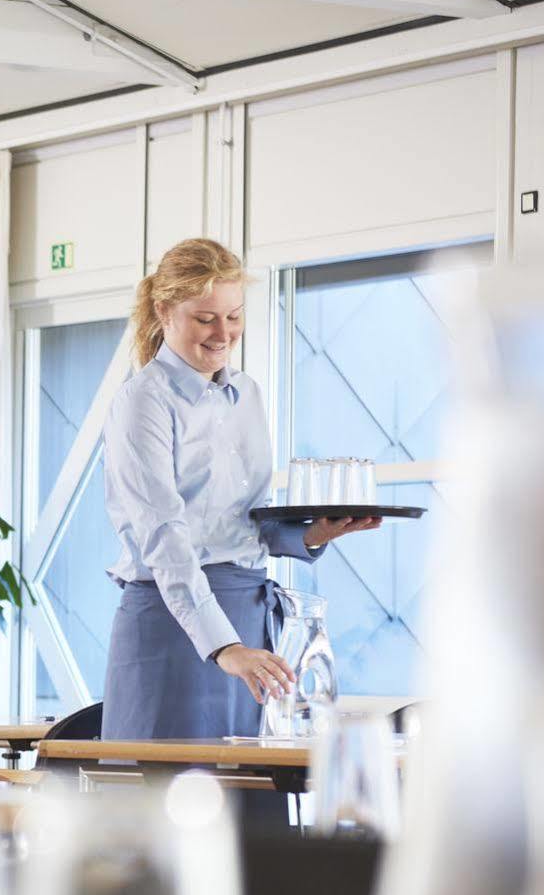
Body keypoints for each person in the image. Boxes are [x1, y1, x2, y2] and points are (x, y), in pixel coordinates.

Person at [100, 238, 379, 740]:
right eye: (205, 318)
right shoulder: (143, 400)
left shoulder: (246, 393)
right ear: (164, 311)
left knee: (250, 798)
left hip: (248, 622)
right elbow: (163, 537)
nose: (222, 333)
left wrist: (311, 536)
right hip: (174, 627)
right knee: (168, 801)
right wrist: (223, 648)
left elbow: (246, 521)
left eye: (233, 316)